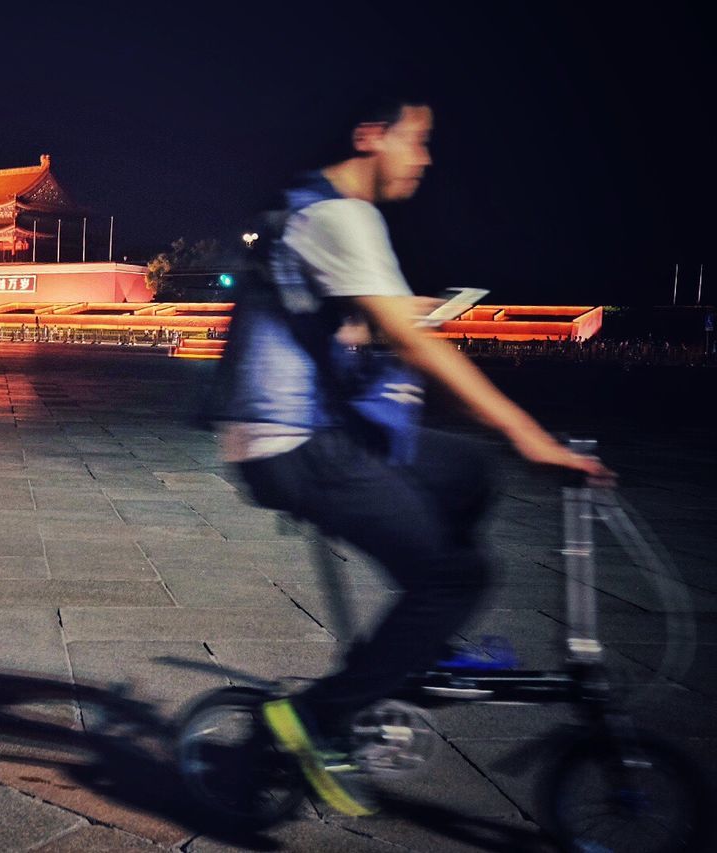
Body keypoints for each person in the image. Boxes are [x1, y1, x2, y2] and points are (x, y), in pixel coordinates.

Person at [208, 93, 614, 816]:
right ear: (371, 134)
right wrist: (527, 434)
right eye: (417, 140)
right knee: (456, 576)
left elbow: (374, 335)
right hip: (293, 441)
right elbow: (417, 343)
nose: (425, 159)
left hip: (303, 429)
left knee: (467, 469)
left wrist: (484, 429)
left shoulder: (318, 208)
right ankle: (313, 718)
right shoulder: (340, 214)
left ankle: (418, 642)